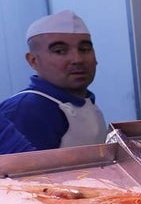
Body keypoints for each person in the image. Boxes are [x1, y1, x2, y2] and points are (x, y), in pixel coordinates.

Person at [0, 10, 107, 150]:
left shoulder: (85, 100)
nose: (77, 59)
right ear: (33, 61)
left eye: (85, 49)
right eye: (60, 51)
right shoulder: (26, 110)